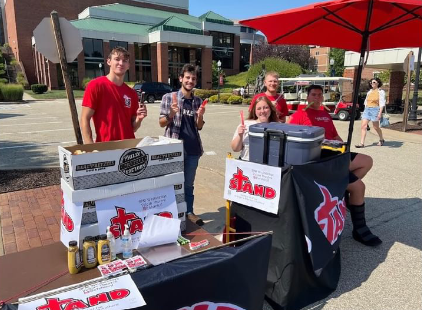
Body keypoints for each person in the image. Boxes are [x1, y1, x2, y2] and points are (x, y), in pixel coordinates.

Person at [289, 85, 381, 246]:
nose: (317, 98)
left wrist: (343, 146)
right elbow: (292, 140)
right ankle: (359, 228)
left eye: (319, 95)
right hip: (319, 159)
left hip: (334, 154)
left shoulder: (325, 114)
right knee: (359, 186)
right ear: (307, 97)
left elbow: (334, 135)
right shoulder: (300, 115)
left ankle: (342, 188)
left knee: (366, 161)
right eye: (313, 95)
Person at [159, 64, 206, 226]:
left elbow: (199, 126)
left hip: (193, 149)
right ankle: (173, 213)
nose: (190, 81)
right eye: (187, 77)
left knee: (188, 184)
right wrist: (171, 113)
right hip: (175, 150)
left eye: (193, 78)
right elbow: (161, 122)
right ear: (181, 78)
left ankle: (189, 212)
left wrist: (200, 116)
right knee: (173, 183)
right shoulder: (169, 98)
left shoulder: (198, 101)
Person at [81, 47, 147, 143]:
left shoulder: (132, 93)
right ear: (109, 61)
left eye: (125, 61)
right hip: (106, 147)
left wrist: (139, 119)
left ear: (128, 65)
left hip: (128, 148)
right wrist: (90, 148)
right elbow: (85, 118)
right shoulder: (96, 85)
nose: (121, 63)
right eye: (117, 59)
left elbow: (133, 128)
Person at [231, 96, 279, 160]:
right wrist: (240, 135)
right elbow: (235, 149)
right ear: (254, 111)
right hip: (247, 164)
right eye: (259, 108)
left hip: (268, 166)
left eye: (266, 108)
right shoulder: (246, 125)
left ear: (270, 109)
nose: (262, 111)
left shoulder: (277, 126)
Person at [356, 77, 385, 147]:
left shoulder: (381, 92)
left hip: (375, 110)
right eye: (371, 82)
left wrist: (380, 113)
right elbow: (366, 102)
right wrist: (364, 111)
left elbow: (382, 103)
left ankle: (381, 139)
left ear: (378, 83)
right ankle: (361, 143)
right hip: (367, 110)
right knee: (363, 126)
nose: (372, 84)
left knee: (376, 127)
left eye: (374, 82)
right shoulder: (369, 92)